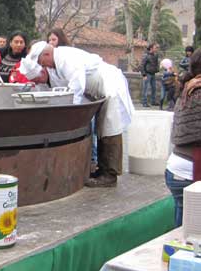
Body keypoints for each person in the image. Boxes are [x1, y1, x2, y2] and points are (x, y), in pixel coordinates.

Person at [20, 42, 134, 187]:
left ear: (47, 54)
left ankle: (110, 175)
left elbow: (77, 86)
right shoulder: (55, 67)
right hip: (97, 92)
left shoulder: (66, 59)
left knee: (109, 130)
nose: (45, 67)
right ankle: (102, 169)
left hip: (109, 86)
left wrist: (72, 114)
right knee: (101, 130)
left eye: (43, 63)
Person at [165, 48, 201, 227]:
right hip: (190, 170)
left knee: (184, 229)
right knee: (191, 232)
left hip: (177, 168)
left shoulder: (189, 87)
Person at [140, 43, 160, 107]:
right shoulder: (146, 56)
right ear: (151, 48)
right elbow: (142, 65)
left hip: (153, 74)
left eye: (157, 48)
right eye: (155, 48)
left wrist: (157, 69)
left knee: (154, 88)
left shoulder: (156, 55)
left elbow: (156, 64)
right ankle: (144, 102)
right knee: (145, 88)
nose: (156, 49)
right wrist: (144, 75)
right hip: (147, 74)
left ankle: (153, 101)